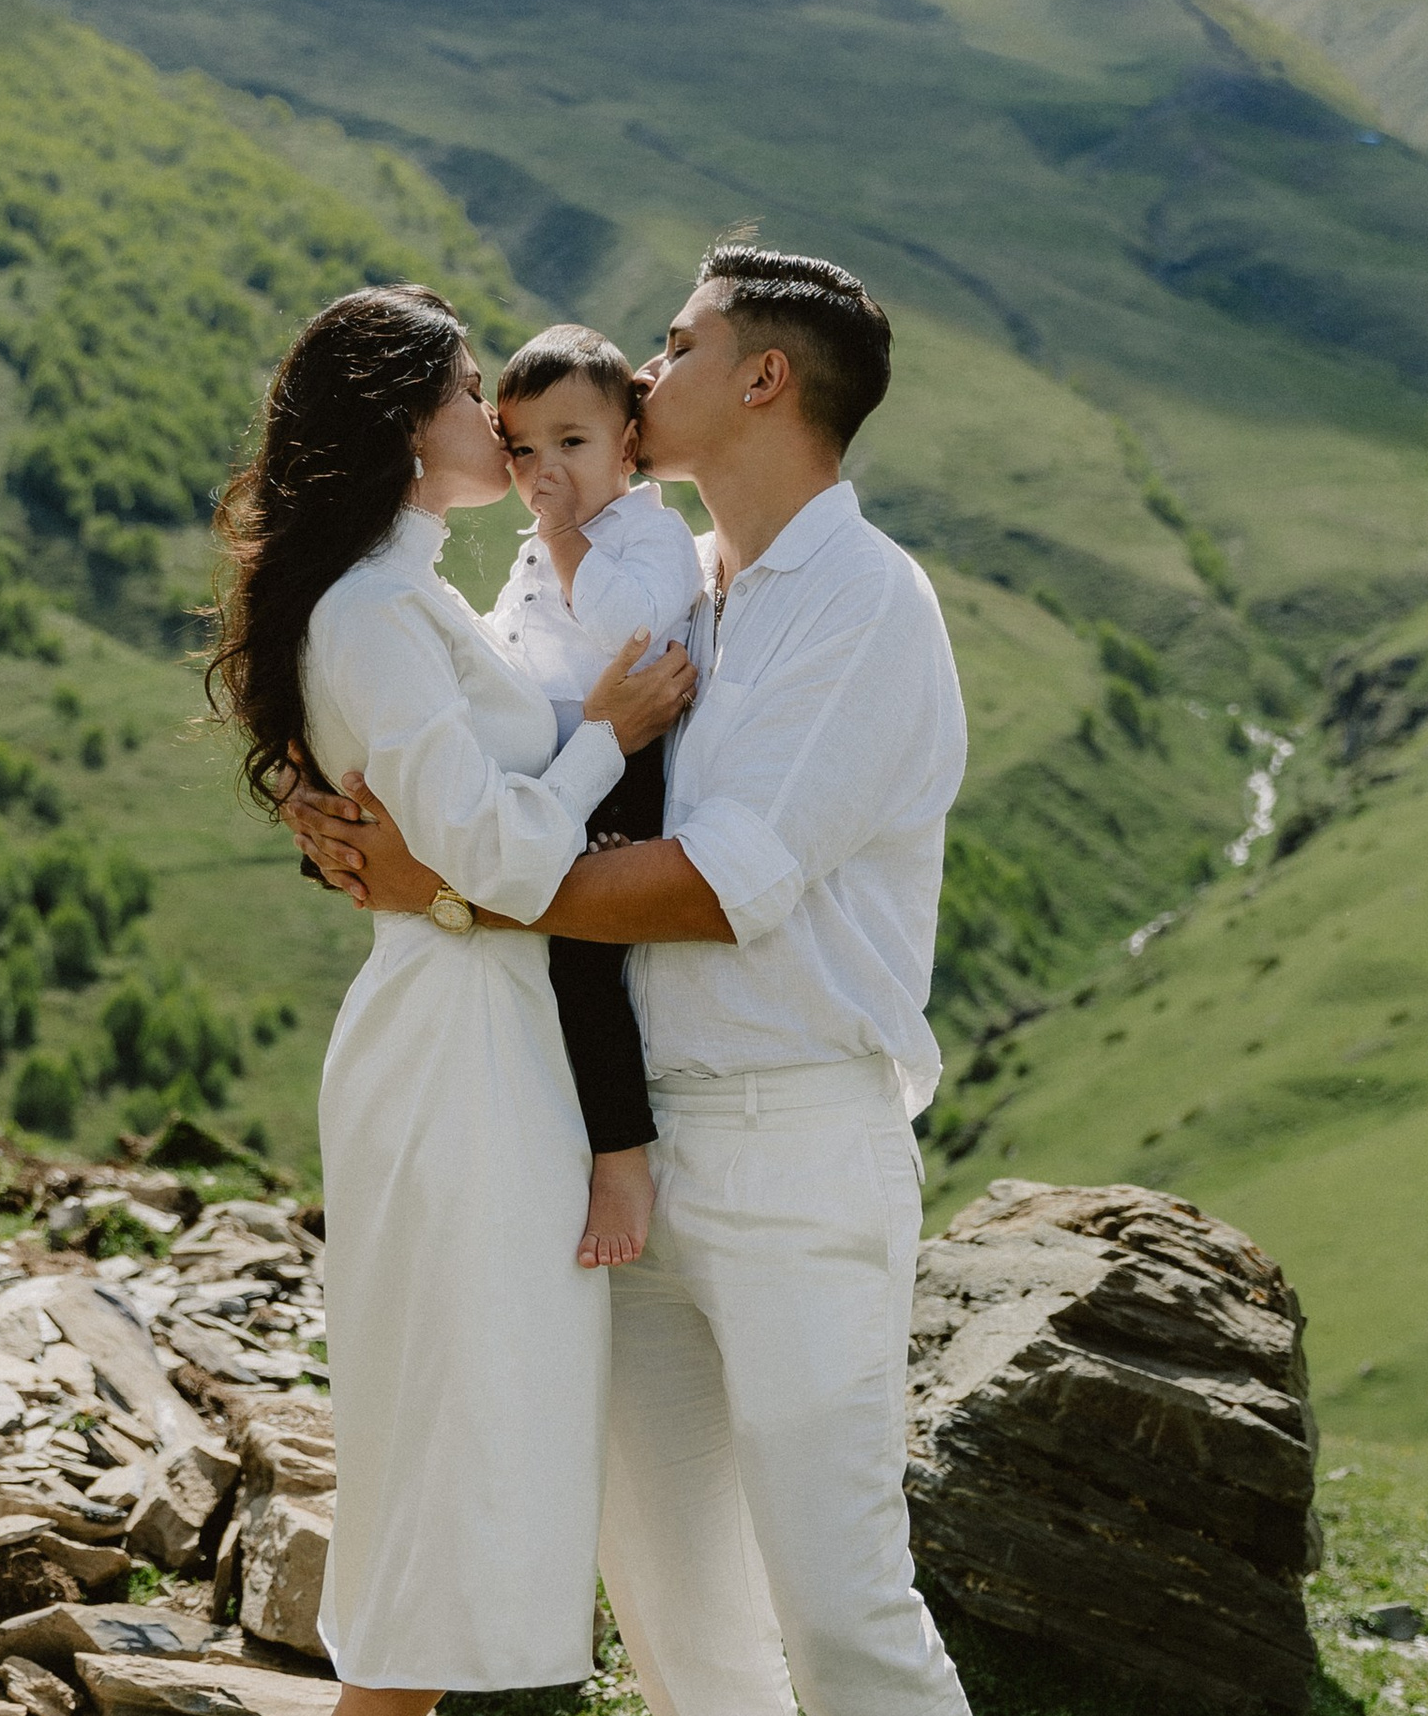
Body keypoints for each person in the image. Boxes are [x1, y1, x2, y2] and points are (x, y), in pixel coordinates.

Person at [288, 242, 977, 1716]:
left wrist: (442, 888)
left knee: (842, 1606)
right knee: (684, 1631)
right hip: (621, 1150)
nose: (644, 372)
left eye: (677, 343)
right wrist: (325, 786)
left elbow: (712, 889)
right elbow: (473, 744)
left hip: (793, 1145)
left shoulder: (862, 602)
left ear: (766, 378)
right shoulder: (679, 585)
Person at [203, 282, 694, 1715]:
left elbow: (465, 821)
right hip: (457, 1052)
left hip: (488, 1033)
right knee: (452, 1449)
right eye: (470, 387)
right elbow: (495, 852)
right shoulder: (370, 611)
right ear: (407, 426)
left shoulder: (408, 596)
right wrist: (609, 735)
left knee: (475, 1441)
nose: (495, 414)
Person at [485, 322, 705, 1270]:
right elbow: (505, 643)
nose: (546, 471)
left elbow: (631, 628)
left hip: (622, 765)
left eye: (571, 443)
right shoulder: (543, 545)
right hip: (555, 763)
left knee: (582, 965)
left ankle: (621, 1157)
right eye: (523, 450)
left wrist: (567, 537)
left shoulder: (650, 534)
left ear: (627, 445)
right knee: (519, 959)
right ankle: (545, 1137)